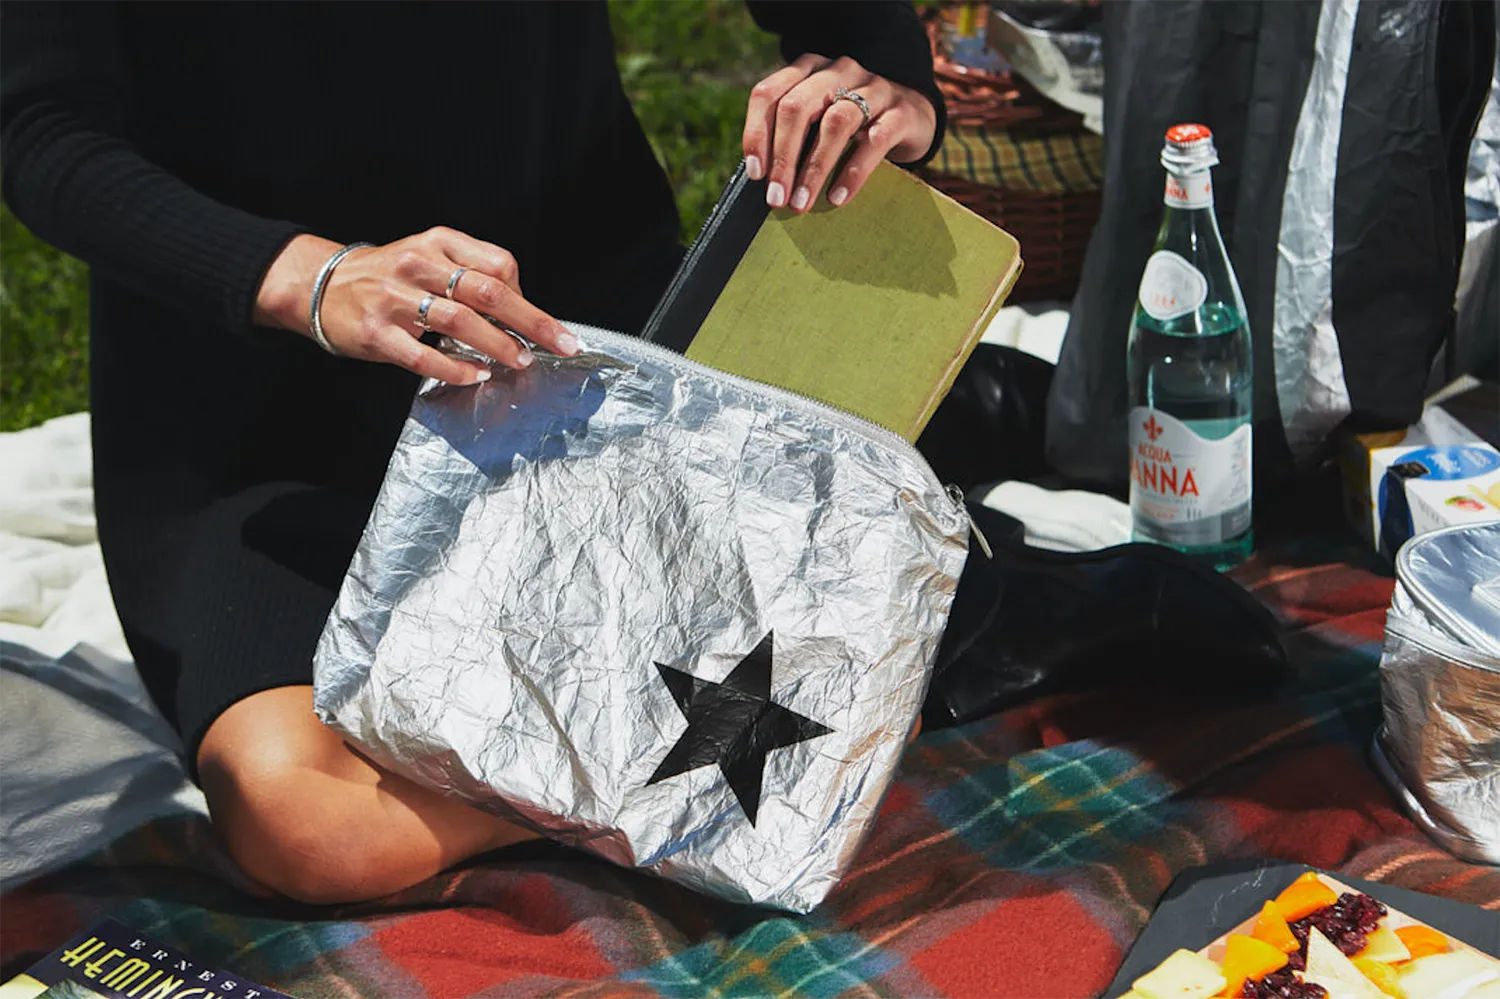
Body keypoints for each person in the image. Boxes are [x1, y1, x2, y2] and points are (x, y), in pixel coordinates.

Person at [0, 3, 945, 905]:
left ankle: (751, 753)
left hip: (574, 376)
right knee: (304, 817)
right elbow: (42, 131)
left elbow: (853, 30)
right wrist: (312, 277)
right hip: (258, 413)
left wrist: (886, 88)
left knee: (838, 627)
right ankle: (762, 775)